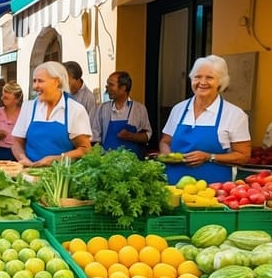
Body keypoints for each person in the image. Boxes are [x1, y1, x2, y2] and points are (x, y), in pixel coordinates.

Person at [159, 54, 251, 184]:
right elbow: (165, 141)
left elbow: (243, 156)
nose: (202, 82)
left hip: (214, 191)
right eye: (197, 77)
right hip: (174, 185)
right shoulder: (178, 109)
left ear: (220, 82)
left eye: (210, 78)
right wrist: (168, 155)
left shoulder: (234, 114)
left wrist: (209, 157)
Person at [12, 61, 92, 167]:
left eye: (40, 81)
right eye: (34, 81)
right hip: (29, 172)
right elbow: (17, 142)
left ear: (57, 82)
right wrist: (24, 159)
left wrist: (58, 159)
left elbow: (85, 149)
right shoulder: (28, 107)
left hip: (60, 177)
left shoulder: (75, 110)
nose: (35, 86)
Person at [91, 71, 152, 158]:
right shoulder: (102, 109)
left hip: (134, 162)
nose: (106, 87)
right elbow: (95, 137)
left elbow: (147, 136)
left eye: (111, 84)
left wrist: (131, 136)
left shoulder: (139, 109)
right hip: (107, 162)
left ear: (123, 88)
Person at [0, 81, 24, 161]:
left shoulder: (24, 114)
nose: (3, 97)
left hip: (18, 153)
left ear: (17, 98)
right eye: (3, 94)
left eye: (8, 93)